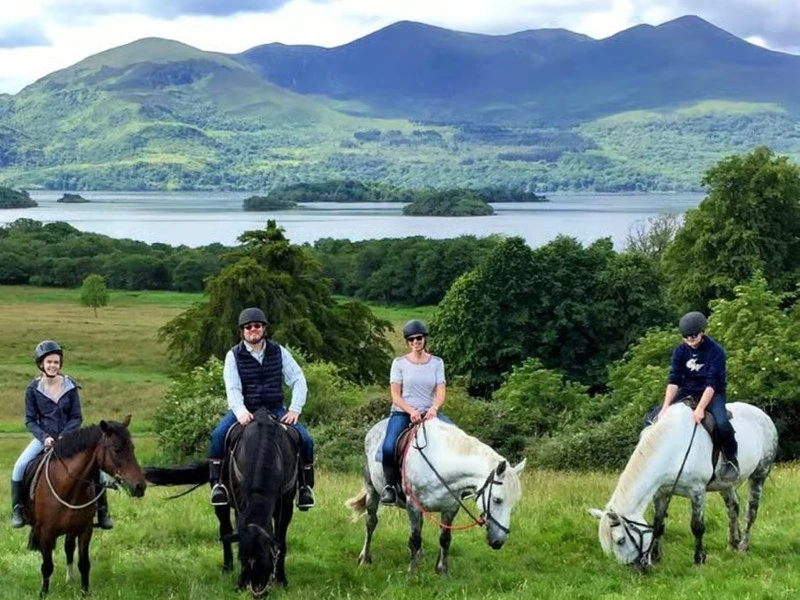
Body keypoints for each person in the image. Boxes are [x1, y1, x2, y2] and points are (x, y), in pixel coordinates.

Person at [208, 307, 316, 510]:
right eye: (248, 327)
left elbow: (298, 379)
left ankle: (304, 488)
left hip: (275, 408)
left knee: (306, 439)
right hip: (246, 409)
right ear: (242, 331)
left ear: (264, 328)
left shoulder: (279, 351)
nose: (252, 329)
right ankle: (218, 486)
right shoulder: (233, 356)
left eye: (257, 325)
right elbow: (232, 387)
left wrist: (295, 409)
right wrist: (240, 412)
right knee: (217, 435)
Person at [10, 340, 113, 529]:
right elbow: (30, 420)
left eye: (56, 362)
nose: (53, 365)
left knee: (97, 469)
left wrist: (66, 435)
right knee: (19, 466)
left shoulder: (70, 387)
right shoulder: (32, 389)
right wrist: (44, 437)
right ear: (41, 364)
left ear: (60, 364)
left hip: (70, 438)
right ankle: (18, 509)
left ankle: (103, 511)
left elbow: (76, 416)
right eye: (49, 362)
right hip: (44, 438)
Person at [652, 311, 739, 483]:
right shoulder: (679, 351)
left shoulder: (716, 351)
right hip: (688, 390)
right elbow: (674, 380)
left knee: (722, 424)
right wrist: (664, 408)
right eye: (686, 337)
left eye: (693, 335)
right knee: (651, 417)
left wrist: (700, 409)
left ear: (702, 332)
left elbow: (712, 383)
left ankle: (731, 460)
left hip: (712, 392)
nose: (690, 339)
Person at [380, 319, 452, 506]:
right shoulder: (399, 364)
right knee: (388, 448)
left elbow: (441, 390)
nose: (415, 342)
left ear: (425, 339)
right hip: (403, 412)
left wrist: (434, 408)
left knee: (457, 439)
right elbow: (395, 395)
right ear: (407, 342)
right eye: (411, 340)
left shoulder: (437, 363)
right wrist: (411, 411)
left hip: (429, 413)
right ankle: (390, 487)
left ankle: (454, 486)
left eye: (418, 338)